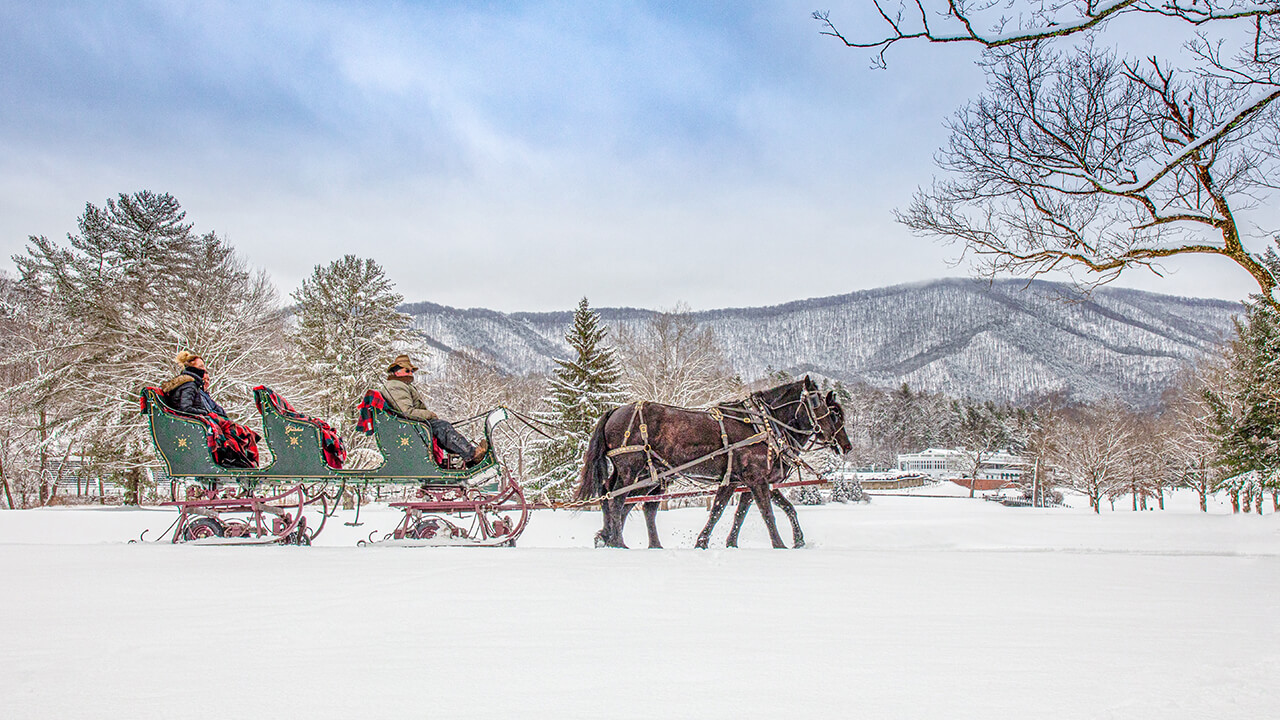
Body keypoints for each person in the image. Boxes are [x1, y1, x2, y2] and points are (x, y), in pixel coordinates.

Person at [381, 354, 489, 466]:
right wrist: (429, 415)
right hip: (410, 424)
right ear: (397, 372)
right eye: (407, 370)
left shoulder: (401, 384)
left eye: (412, 371)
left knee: (442, 427)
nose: (411, 373)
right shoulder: (396, 386)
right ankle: (471, 454)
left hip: (412, 423)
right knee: (443, 427)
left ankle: (469, 458)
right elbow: (406, 411)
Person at [162, 351, 228, 418]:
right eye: (201, 366)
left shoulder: (193, 385)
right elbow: (185, 409)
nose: (204, 369)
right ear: (192, 367)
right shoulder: (189, 385)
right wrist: (205, 412)